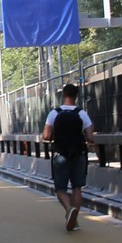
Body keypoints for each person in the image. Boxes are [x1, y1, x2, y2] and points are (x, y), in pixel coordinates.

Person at [43, 83, 95, 231]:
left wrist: (57, 136)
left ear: (63, 95)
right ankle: (74, 219)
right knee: (77, 188)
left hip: (60, 154)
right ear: (76, 96)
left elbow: (46, 136)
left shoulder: (54, 113)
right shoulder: (82, 113)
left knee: (60, 189)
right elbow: (90, 137)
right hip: (78, 154)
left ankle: (69, 209)